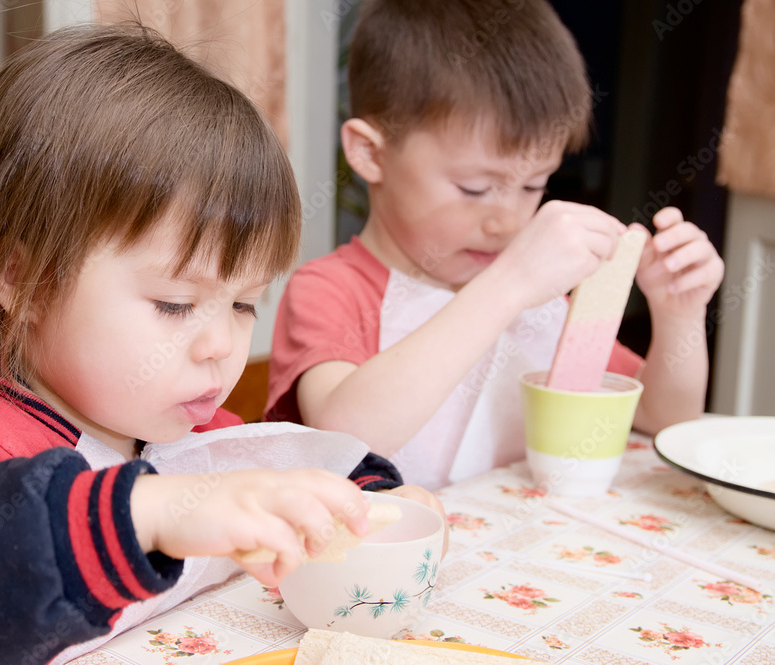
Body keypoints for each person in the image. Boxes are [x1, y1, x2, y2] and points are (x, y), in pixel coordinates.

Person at [0, 24, 442, 665]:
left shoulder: (192, 437)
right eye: (174, 304)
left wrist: (369, 504)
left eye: (242, 304)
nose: (219, 345)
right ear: (25, 279)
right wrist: (145, 512)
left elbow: (291, 468)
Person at [266, 0, 724, 490]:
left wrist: (679, 316)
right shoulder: (331, 290)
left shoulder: (539, 299)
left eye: (534, 186)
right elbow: (349, 441)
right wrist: (508, 287)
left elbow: (662, 417)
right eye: (475, 189)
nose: (507, 220)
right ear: (371, 153)